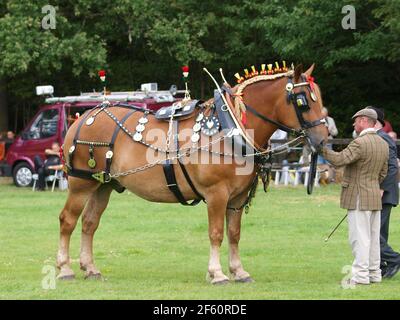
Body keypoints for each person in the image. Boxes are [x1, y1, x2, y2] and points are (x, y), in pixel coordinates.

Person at [322, 108, 389, 286]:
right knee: (373, 238)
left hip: (359, 196)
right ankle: (374, 273)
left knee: (359, 238)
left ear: (364, 121)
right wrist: (372, 184)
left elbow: (339, 160)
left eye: (356, 120)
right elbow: (383, 173)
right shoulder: (383, 143)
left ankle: (360, 276)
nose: (354, 124)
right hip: (374, 195)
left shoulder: (360, 142)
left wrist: (321, 149)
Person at [367, 107, 400, 279]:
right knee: (379, 233)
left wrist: (382, 189)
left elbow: (393, 167)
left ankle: (395, 260)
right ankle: (380, 265)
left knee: (375, 234)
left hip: (384, 194)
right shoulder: (377, 137)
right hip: (381, 193)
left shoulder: (383, 138)